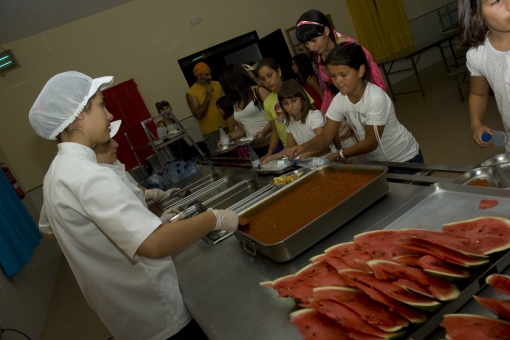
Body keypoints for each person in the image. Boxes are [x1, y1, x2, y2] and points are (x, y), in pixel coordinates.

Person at [29, 71, 238, 340]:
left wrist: (97, 238)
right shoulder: (90, 175)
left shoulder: (56, 173)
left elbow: (49, 230)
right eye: (102, 105)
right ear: (79, 113)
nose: (107, 115)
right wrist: (214, 219)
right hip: (155, 310)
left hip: (123, 311)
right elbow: (154, 244)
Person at [286, 43, 422, 169]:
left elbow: (371, 142)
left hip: (405, 159)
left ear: (360, 70)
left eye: (343, 74)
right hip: (380, 163)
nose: (337, 81)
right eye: (333, 76)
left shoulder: (375, 98)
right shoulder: (340, 99)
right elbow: (326, 136)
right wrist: (303, 147)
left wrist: (339, 155)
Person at [295, 9, 386, 113]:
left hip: (368, 104)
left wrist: (376, 105)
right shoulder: (321, 54)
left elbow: (374, 77)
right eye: (306, 43)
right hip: (349, 107)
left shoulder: (347, 47)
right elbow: (329, 90)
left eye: (314, 40)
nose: (311, 47)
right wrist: (323, 114)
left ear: (326, 30)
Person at [94, 121, 181, 222]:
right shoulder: (99, 180)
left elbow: (136, 188)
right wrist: (158, 222)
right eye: (108, 142)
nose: (116, 144)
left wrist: (160, 194)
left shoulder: (113, 162)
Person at [458, 0, 510, 151]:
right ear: (477, 14)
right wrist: (476, 124)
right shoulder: (478, 55)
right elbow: (478, 93)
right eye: (496, 1)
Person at [257, 57, 315, 162]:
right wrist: (270, 153)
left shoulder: (294, 89)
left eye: (270, 75)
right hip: (289, 149)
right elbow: (275, 129)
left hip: (309, 143)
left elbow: (312, 111)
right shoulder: (267, 102)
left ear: (278, 71)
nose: (268, 81)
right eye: (263, 79)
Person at [261, 79, 330, 163]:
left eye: (294, 101)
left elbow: (326, 146)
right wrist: (272, 157)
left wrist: (309, 155)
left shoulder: (313, 116)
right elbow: (289, 148)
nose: (290, 106)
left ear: (302, 98)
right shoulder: (289, 122)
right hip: (308, 164)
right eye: (285, 103)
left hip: (326, 160)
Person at [218, 64, 272, 158]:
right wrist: (229, 136)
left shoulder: (258, 91)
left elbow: (277, 118)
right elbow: (242, 129)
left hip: (272, 144)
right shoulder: (235, 102)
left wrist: (263, 133)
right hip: (256, 149)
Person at [185, 62, 227, 156]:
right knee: (221, 162)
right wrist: (208, 97)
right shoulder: (191, 92)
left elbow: (227, 105)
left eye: (210, 73)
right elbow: (198, 115)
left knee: (236, 155)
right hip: (211, 133)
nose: (210, 77)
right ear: (199, 76)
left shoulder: (217, 84)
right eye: (206, 75)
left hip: (226, 126)